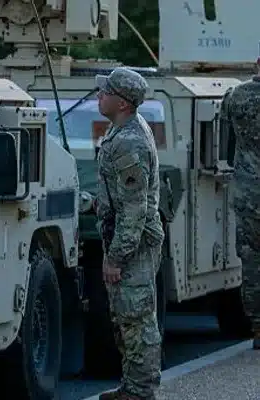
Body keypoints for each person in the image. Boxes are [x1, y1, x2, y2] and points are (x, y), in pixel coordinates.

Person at [94, 67, 165, 400]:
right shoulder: (121, 130)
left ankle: (141, 391)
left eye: (105, 92)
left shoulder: (129, 141)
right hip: (128, 236)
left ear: (122, 103)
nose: (99, 95)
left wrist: (116, 257)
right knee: (126, 316)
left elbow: (134, 209)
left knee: (137, 319)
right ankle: (133, 386)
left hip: (133, 242)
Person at [222, 58, 260, 350]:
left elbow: (227, 146)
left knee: (251, 260)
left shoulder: (235, 95)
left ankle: (259, 327)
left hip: (248, 190)